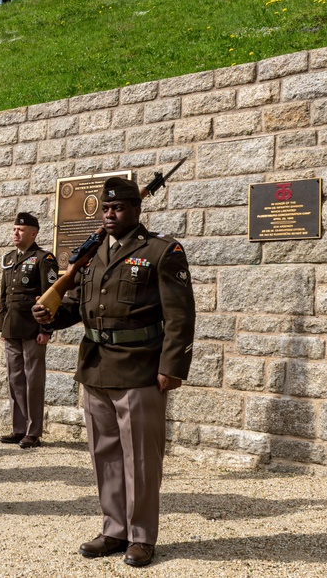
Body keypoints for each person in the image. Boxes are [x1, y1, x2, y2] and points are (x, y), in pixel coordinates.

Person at [32, 177, 196, 568]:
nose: (110, 214)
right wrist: (50, 315)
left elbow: (180, 316)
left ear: (136, 210)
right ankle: (114, 529)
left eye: (118, 207)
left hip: (140, 366)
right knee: (104, 454)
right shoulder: (91, 254)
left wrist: (172, 367)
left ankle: (141, 536)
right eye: (105, 208)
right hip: (96, 365)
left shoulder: (162, 251)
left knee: (140, 458)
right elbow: (77, 304)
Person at [0, 214, 57, 448]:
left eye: (20, 230)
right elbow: (4, 297)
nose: (15, 233)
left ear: (33, 233)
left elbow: (50, 296)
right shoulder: (9, 258)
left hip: (33, 329)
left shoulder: (44, 258)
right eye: (14, 229)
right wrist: (2, 326)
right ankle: (18, 428)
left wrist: (46, 329)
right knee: (15, 379)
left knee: (33, 381)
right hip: (12, 327)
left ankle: (33, 432)